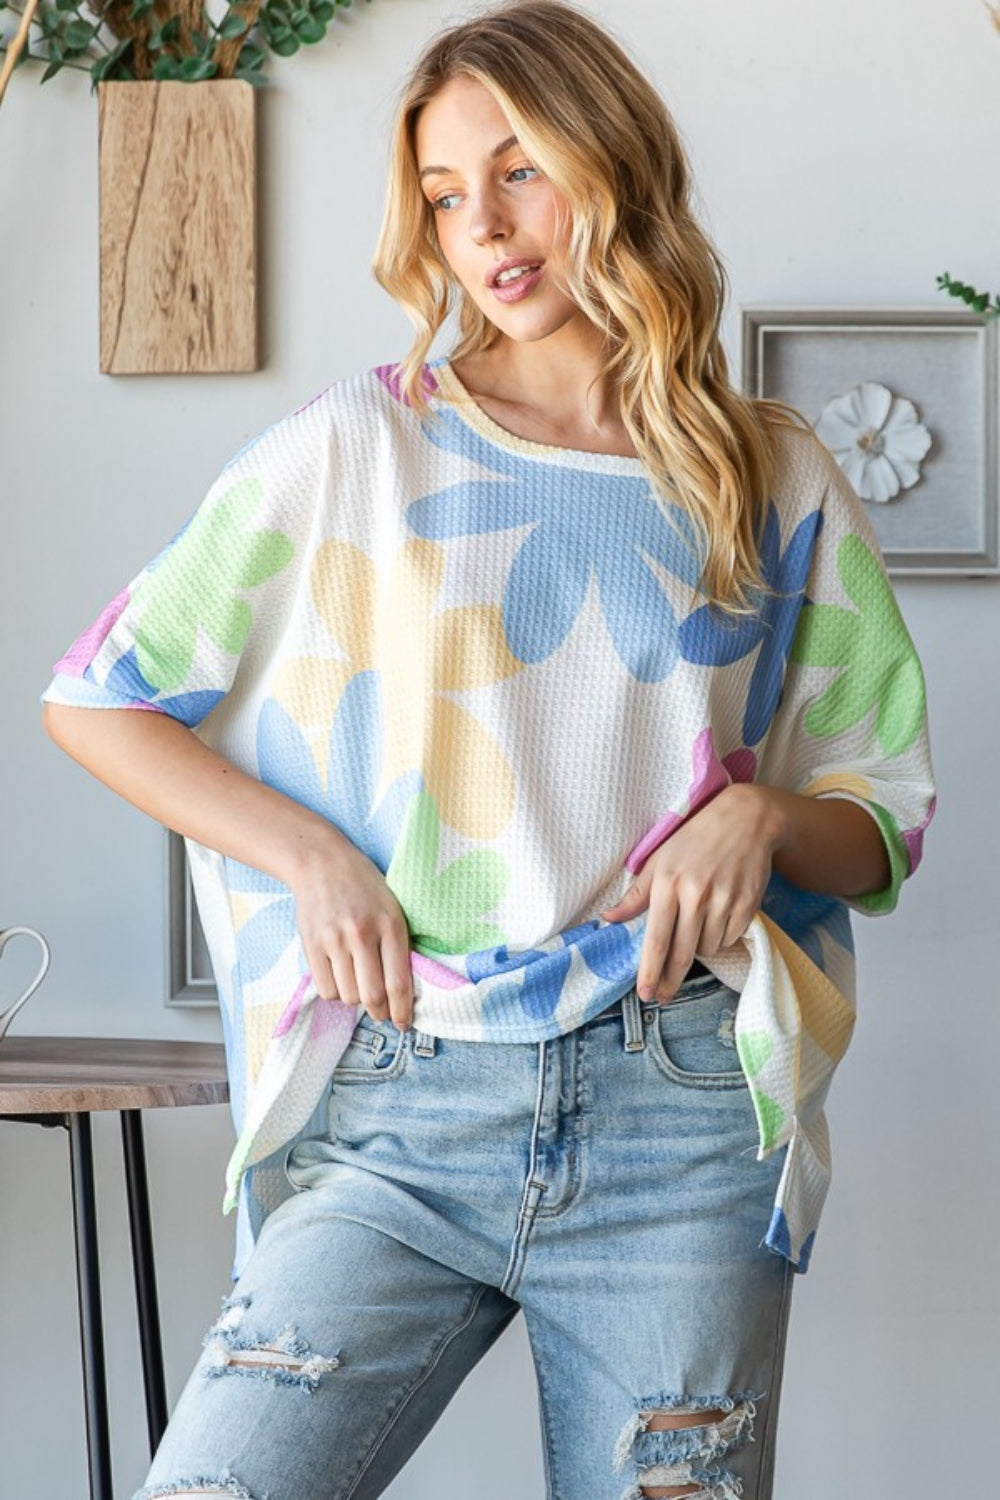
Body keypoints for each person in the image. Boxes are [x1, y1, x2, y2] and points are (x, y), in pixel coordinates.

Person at [41, 3, 935, 1497]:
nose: (485, 230)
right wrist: (312, 858)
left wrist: (768, 820)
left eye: (517, 171)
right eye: (446, 196)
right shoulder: (362, 445)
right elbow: (96, 696)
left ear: (613, 160)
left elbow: (884, 816)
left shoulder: (770, 473)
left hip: (677, 1106)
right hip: (400, 1102)